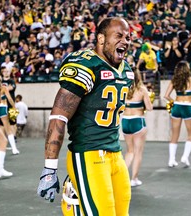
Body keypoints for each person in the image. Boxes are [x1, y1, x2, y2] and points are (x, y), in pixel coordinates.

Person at [37, 17, 133, 215]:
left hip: (115, 152)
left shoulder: (126, 72)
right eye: (119, 36)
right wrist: (49, 168)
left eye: (128, 37)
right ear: (100, 39)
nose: (126, 41)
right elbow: (59, 117)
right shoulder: (86, 66)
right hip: (88, 153)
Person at [164, 61, 191, 167]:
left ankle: (171, 160)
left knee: (174, 135)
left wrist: (174, 102)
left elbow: (166, 96)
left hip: (177, 106)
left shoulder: (174, 80)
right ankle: (185, 157)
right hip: (188, 107)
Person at [122, 70, 153, 187]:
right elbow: (149, 108)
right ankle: (134, 179)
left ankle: (121, 177)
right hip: (137, 121)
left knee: (129, 151)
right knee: (138, 152)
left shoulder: (123, 88)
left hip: (125, 121)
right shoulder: (142, 90)